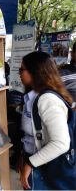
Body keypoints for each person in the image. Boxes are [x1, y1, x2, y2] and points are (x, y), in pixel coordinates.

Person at [17, 51, 76, 190]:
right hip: (37, 162)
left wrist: (30, 163)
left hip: (44, 167)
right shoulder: (33, 97)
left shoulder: (47, 100)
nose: (19, 73)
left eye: (22, 69)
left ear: (35, 71)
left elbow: (61, 143)